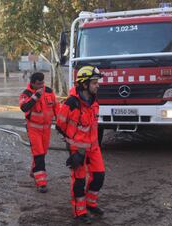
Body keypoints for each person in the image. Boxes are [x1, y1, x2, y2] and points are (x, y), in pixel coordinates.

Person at [56, 66, 105, 224]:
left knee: (99, 176)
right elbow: (60, 126)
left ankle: (90, 204)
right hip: (77, 149)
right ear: (84, 84)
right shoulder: (71, 103)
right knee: (79, 181)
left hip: (94, 147)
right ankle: (80, 211)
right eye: (94, 82)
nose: (98, 85)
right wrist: (72, 149)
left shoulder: (94, 101)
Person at [19, 72, 60, 193]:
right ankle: (41, 182)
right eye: (39, 84)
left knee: (43, 152)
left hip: (46, 128)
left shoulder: (48, 91)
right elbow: (24, 108)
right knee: (39, 154)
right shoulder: (25, 94)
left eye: (43, 82)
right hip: (33, 129)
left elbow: (56, 107)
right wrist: (35, 97)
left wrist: (60, 122)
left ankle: (34, 171)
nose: (42, 85)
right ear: (32, 83)